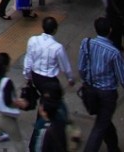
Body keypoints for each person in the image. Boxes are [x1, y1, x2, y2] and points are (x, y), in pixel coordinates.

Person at [79, 16, 124, 152]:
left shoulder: (86, 43)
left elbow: (81, 68)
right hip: (107, 94)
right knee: (100, 125)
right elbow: (121, 77)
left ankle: (113, 146)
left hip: (91, 90)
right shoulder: (114, 52)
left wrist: (86, 80)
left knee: (104, 120)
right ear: (110, 30)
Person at [0, 52, 28, 151]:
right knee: (18, 139)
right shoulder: (7, 81)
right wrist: (20, 103)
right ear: (6, 66)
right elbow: (8, 101)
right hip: (1, 116)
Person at [23, 17, 74, 98]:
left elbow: (28, 61)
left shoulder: (32, 40)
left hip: (36, 77)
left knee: (45, 97)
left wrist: (28, 76)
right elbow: (65, 66)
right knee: (54, 102)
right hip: (50, 81)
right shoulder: (58, 47)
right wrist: (70, 78)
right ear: (55, 30)